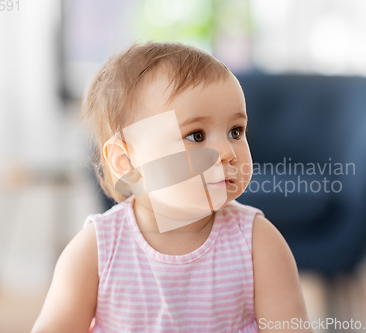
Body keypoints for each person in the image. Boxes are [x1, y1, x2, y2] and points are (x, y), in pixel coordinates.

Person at [31, 41, 311, 333]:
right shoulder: (97, 250)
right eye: (197, 135)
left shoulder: (256, 244)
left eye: (235, 131)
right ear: (126, 160)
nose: (228, 152)